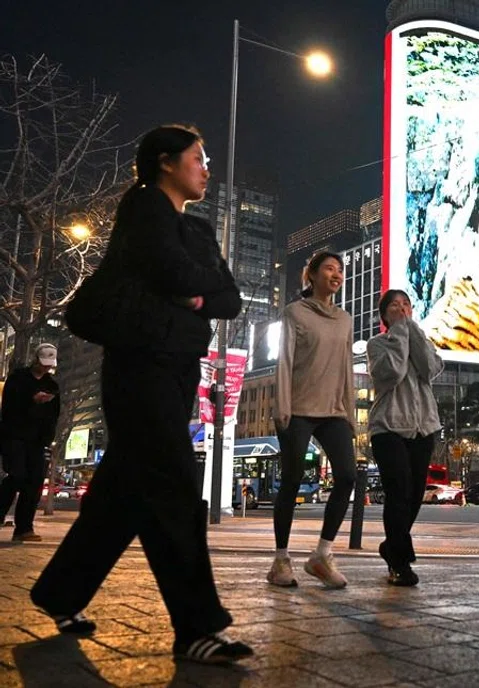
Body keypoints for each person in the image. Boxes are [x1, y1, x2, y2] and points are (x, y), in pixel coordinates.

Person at [29, 125, 253, 664]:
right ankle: (197, 626)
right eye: (198, 157)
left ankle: (59, 592)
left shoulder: (196, 229)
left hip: (179, 370)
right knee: (174, 485)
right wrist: (196, 287)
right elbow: (168, 268)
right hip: (138, 366)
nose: (206, 167)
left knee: (120, 497)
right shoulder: (144, 205)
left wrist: (195, 295)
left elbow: (230, 298)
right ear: (165, 162)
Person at [267, 250, 356, 589]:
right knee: (290, 482)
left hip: (333, 411)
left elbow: (347, 367)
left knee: (347, 476)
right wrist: (282, 407)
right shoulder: (295, 313)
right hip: (299, 409)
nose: (336, 274)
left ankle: (322, 555)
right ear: (312, 275)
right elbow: (285, 361)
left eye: (340, 270)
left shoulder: (345, 319)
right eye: (330, 268)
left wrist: (348, 411)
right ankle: (280, 561)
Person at [367, 290, 443, 586]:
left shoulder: (423, 340)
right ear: (384, 316)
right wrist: (400, 332)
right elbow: (394, 372)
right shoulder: (377, 344)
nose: (401, 309)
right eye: (394, 306)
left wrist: (414, 334)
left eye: (406, 305)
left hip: (424, 427)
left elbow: (430, 368)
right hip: (388, 427)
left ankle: (391, 546)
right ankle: (399, 562)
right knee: (398, 492)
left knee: (413, 496)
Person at [0, 343, 61, 541]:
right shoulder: (18, 380)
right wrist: (31, 401)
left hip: (38, 441)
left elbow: (54, 416)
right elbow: (9, 410)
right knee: (16, 476)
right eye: (43, 364)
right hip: (15, 437)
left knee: (34, 483)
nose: (46, 368)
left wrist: (47, 440)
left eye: (49, 365)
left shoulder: (52, 386)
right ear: (35, 359)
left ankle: (24, 528)